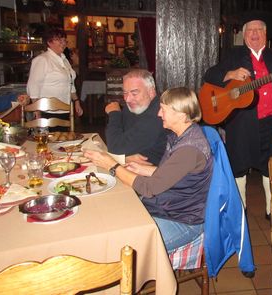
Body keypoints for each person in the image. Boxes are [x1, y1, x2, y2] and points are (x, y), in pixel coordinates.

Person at [84, 87, 213, 253]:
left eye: (163, 110)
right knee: (109, 216)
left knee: (120, 246)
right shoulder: (181, 134)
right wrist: (144, 169)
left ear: (181, 114)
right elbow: (175, 174)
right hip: (167, 207)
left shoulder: (189, 149)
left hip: (183, 221)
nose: (159, 114)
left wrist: (111, 165)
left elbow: (149, 188)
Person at [203, 11, 272, 218]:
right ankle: (240, 210)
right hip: (241, 124)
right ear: (244, 35)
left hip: (271, 124)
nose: (255, 33)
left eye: (259, 30)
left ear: (265, 34)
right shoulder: (233, 56)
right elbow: (209, 75)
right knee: (238, 167)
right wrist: (229, 74)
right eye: (250, 30)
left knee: (271, 168)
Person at [105, 69, 167, 165]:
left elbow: (115, 147)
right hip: (136, 168)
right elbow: (116, 138)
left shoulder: (158, 115)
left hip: (156, 174)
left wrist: (114, 113)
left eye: (134, 93)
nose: (127, 99)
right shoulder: (137, 105)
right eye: (125, 93)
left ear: (151, 92)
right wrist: (125, 157)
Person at [26, 27, 83, 127]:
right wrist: (36, 109)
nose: (63, 43)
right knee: (49, 140)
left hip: (64, 108)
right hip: (47, 110)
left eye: (64, 40)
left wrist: (76, 101)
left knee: (63, 139)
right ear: (49, 42)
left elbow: (70, 83)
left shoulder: (64, 60)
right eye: (59, 40)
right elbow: (33, 86)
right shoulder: (42, 60)